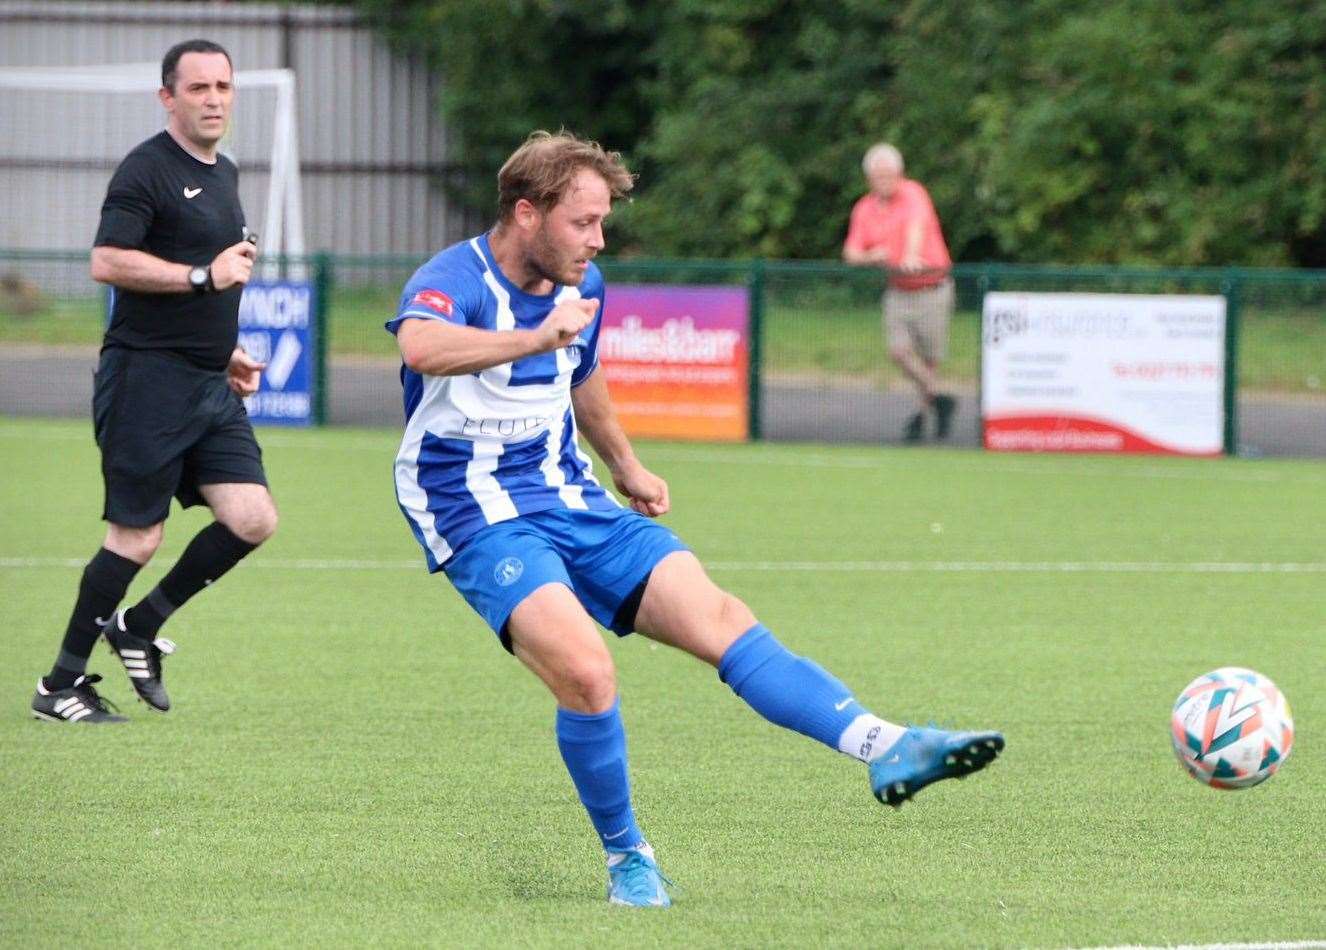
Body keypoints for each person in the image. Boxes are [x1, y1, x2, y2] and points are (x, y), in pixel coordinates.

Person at [387, 131, 1003, 908]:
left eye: (603, 221)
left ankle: (884, 744)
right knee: (586, 671)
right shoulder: (457, 277)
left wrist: (625, 464)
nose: (598, 239)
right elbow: (421, 346)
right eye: (583, 222)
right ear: (526, 213)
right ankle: (628, 859)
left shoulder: (587, 285)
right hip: (472, 509)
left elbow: (583, 375)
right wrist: (533, 336)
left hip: (571, 496)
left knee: (720, 617)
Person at [29, 40, 277, 724]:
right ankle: (60, 686)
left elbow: (206, 279)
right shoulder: (146, 170)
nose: (214, 99)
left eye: (223, 86)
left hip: (207, 384)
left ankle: (140, 627)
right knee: (136, 539)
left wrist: (227, 353)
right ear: (167, 97)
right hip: (147, 383)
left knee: (253, 519)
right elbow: (107, 262)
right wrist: (203, 277)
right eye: (198, 88)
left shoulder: (223, 172)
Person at [843, 143, 958, 443]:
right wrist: (872, 257)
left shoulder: (913, 194)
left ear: (899, 173)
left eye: (888, 174)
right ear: (869, 178)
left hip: (931, 287)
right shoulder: (864, 208)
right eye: (877, 175)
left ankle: (922, 417)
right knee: (899, 352)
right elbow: (852, 252)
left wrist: (911, 254)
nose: (884, 180)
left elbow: (916, 224)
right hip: (898, 291)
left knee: (929, 357)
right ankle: (939, 397)